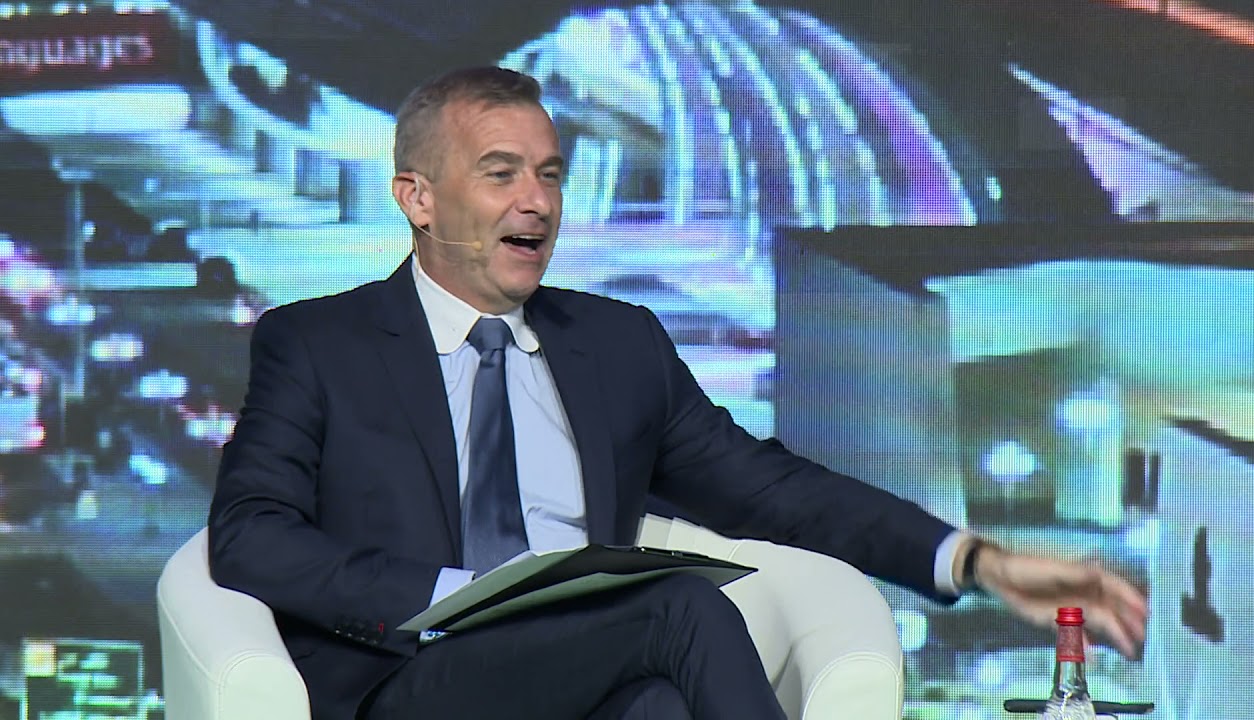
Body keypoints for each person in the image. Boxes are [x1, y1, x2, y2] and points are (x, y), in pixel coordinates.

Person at [207, 66, 1146, 720]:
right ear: (418, 197)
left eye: (549, 175)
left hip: (591, 673)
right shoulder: (320, 343)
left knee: (660, 704)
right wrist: (456, 595)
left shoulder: (618, 345)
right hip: (411, 679)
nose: (537, 202)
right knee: (680, 607)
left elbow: (774, 489)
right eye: (501, 175)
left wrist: (976, 560)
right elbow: (251, 535)